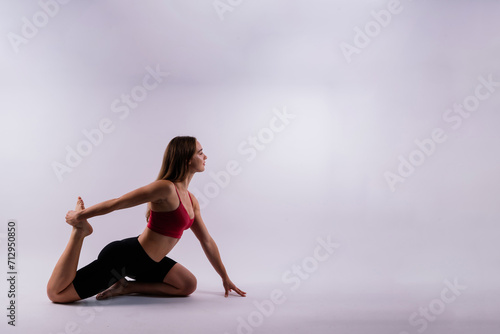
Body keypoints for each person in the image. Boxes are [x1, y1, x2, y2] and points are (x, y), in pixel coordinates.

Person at [47, 136, 246, 303]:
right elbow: (119, 202)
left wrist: (225, 277)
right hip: (126, 259)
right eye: (200, 152)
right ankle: (79, 233)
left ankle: (125, 287)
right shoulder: (165, 188)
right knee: (56, 294)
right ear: (186, 159)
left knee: (188, 285)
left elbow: (207, 241)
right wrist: (79, 216)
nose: (205, 156)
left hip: (151, 263)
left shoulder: (192, 200)